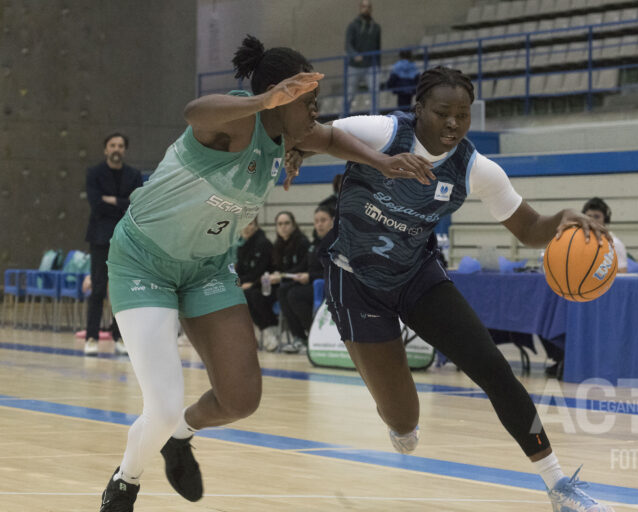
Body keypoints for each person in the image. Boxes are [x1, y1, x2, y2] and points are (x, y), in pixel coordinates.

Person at [98, 35, 434, 512]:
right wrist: (263, 100)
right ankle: (125, 482)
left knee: (240, 399)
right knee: (164, 403)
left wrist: (384, 162)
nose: (316, 110)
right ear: (280, 96)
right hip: (144, 261)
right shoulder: (238, 119)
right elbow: (194, 111)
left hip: (207, 268)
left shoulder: (288, 136)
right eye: (308, 100)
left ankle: (180, 435)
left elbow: (331, 138)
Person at [304, 66, 614, 511]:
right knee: (404, 421)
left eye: (463, 115)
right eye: (442, 112)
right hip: (355, 281)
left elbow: (529, 227)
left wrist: (560, 219)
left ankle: (559, 485)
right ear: (419, 109)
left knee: (493, 368)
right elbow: (314, 135)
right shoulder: (382, 132)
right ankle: (399, 421)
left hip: (415, 274)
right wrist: (296, 151)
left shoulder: (475, 168)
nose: (453, 122)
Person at [84, 132, 144, 356]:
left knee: (123, 289)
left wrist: (112, 200)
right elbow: (96, 205)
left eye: (120, 145)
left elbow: (136, 205)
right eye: (112, 145)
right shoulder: (94, 173)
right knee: (98, 288)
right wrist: (121, 203)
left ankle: (120, 336)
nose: (116, 149)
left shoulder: (134, 175)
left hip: (126, 238)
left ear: (124, 150)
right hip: (100, 238)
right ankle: (91, 337)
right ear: (106, 149)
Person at [276, 205, 335, 352]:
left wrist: (310, 276)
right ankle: (299, 337)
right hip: (313, 283)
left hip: (329, 285)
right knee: (283, 290)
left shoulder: (336, 243)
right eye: (316, 221)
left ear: (333, 221)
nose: (319, 224)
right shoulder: (314, 244)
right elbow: (304, 266)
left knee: (295, 295)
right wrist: (286, 276)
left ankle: (313, 333)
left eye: (323, 220)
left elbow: (333, 271)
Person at [267, 211, 310, 352]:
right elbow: (277, 267)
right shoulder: (278, 245)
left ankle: (301, 336)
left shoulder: (302, 242)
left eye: (286, 223)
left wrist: (282, 276)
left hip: (303, 282)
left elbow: (303, 266)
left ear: (293, 225)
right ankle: (274, 333)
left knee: (285, 292)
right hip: (286, 283)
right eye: (280, 224)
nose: (283, 227)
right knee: (261, 294)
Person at [235, 216, 278, 337]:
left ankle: (270, 329)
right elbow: (239, 271)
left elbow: (260, 271)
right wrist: (237, 283)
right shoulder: (242, 245)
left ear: (256, 226)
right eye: (243, 224)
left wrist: (249, 283)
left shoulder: (263, 244)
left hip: (267, 284)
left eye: (250, 224)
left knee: (252, 294)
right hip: (250, 284)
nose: (246, 227)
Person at [345, 0, 381, 107]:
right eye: (364, 6)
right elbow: (348, 44)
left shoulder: (376, 28)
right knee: (350, 93)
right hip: (354, 66)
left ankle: (375, 115)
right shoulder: (352, 26)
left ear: (371, 9)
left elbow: (378, 47)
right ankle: (344, 114)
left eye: (369, 7)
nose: (366, 9)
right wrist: (354, 55)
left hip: (371, 66)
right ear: (360, 8)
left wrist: (378, 65)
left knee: (375, 93)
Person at [582, 197, 627, 273]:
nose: (591, 220)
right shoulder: (577, 241)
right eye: (588, 216)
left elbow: (622, 272)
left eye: (596, 217)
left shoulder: (615, 243)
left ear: (605, 219)